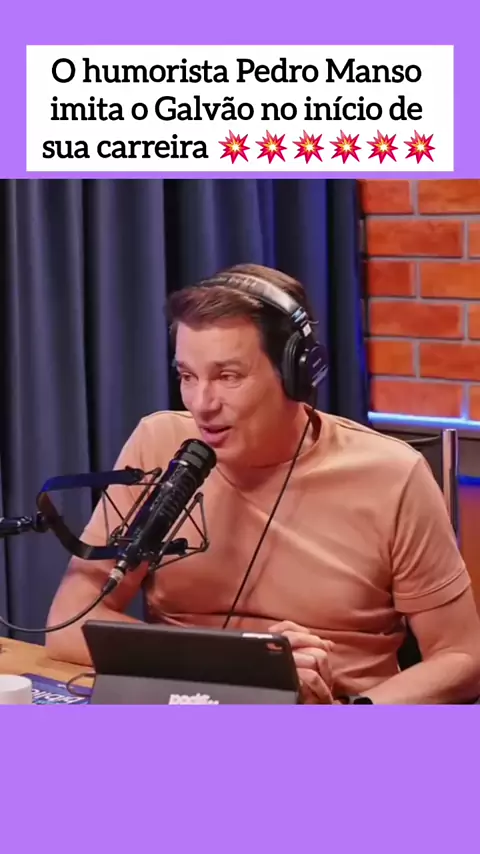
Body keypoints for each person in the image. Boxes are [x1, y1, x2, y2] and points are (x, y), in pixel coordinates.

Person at [46, 262, 480, 704]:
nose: (201, 404)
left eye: (228, 376)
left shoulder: (391, 475)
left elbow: (462, 657)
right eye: (187, 376)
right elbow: (69, 621)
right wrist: (248, 668)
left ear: (295, 374)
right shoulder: (158, 444)